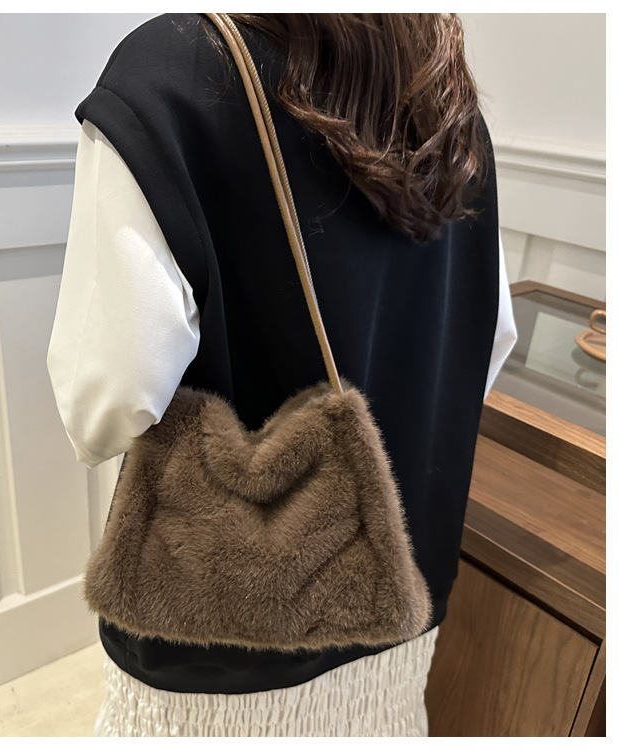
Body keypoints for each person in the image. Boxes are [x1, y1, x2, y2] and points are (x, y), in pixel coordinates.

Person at [47, 13, 517, 737]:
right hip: (400, 594)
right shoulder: (451, 109)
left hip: (224, 648)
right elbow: (491, 343)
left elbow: (105, 405)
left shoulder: (178, 71)